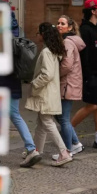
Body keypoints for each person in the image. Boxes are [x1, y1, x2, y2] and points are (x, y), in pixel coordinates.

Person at [0, 11, 42, 168]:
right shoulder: (18, 33)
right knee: (13, 115)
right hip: (15, 81)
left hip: (0, 81)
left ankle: (30, 149)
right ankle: (31, 150)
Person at [25, 22, 72, 166]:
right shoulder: (53, 51)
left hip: (45, 93)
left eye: (38, 33)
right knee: (42, 123)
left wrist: (34, 84)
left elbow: (47, 74)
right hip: (50, 93)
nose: (37, 36)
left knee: (47, 123)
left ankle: (64, 152)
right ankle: (36, 151)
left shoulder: (46, 52)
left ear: (43, 35)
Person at [71, 0, 97, 150]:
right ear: (93, 11)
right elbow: (84, 56)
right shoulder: (85, 30)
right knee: (92, 106)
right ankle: (67, 131)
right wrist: (88, 76)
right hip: (92, 75)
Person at [52, 15, 86, 160]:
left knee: (63, 119)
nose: (59, 25)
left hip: (67, 84)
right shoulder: (69, 41)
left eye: (63, 23)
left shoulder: (67, 42)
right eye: (58, 23)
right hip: (69, 83)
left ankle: (67, 151)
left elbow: (66, 65)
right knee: (59, 117)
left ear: (70, 27)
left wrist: (53, 75)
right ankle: (75, 143)